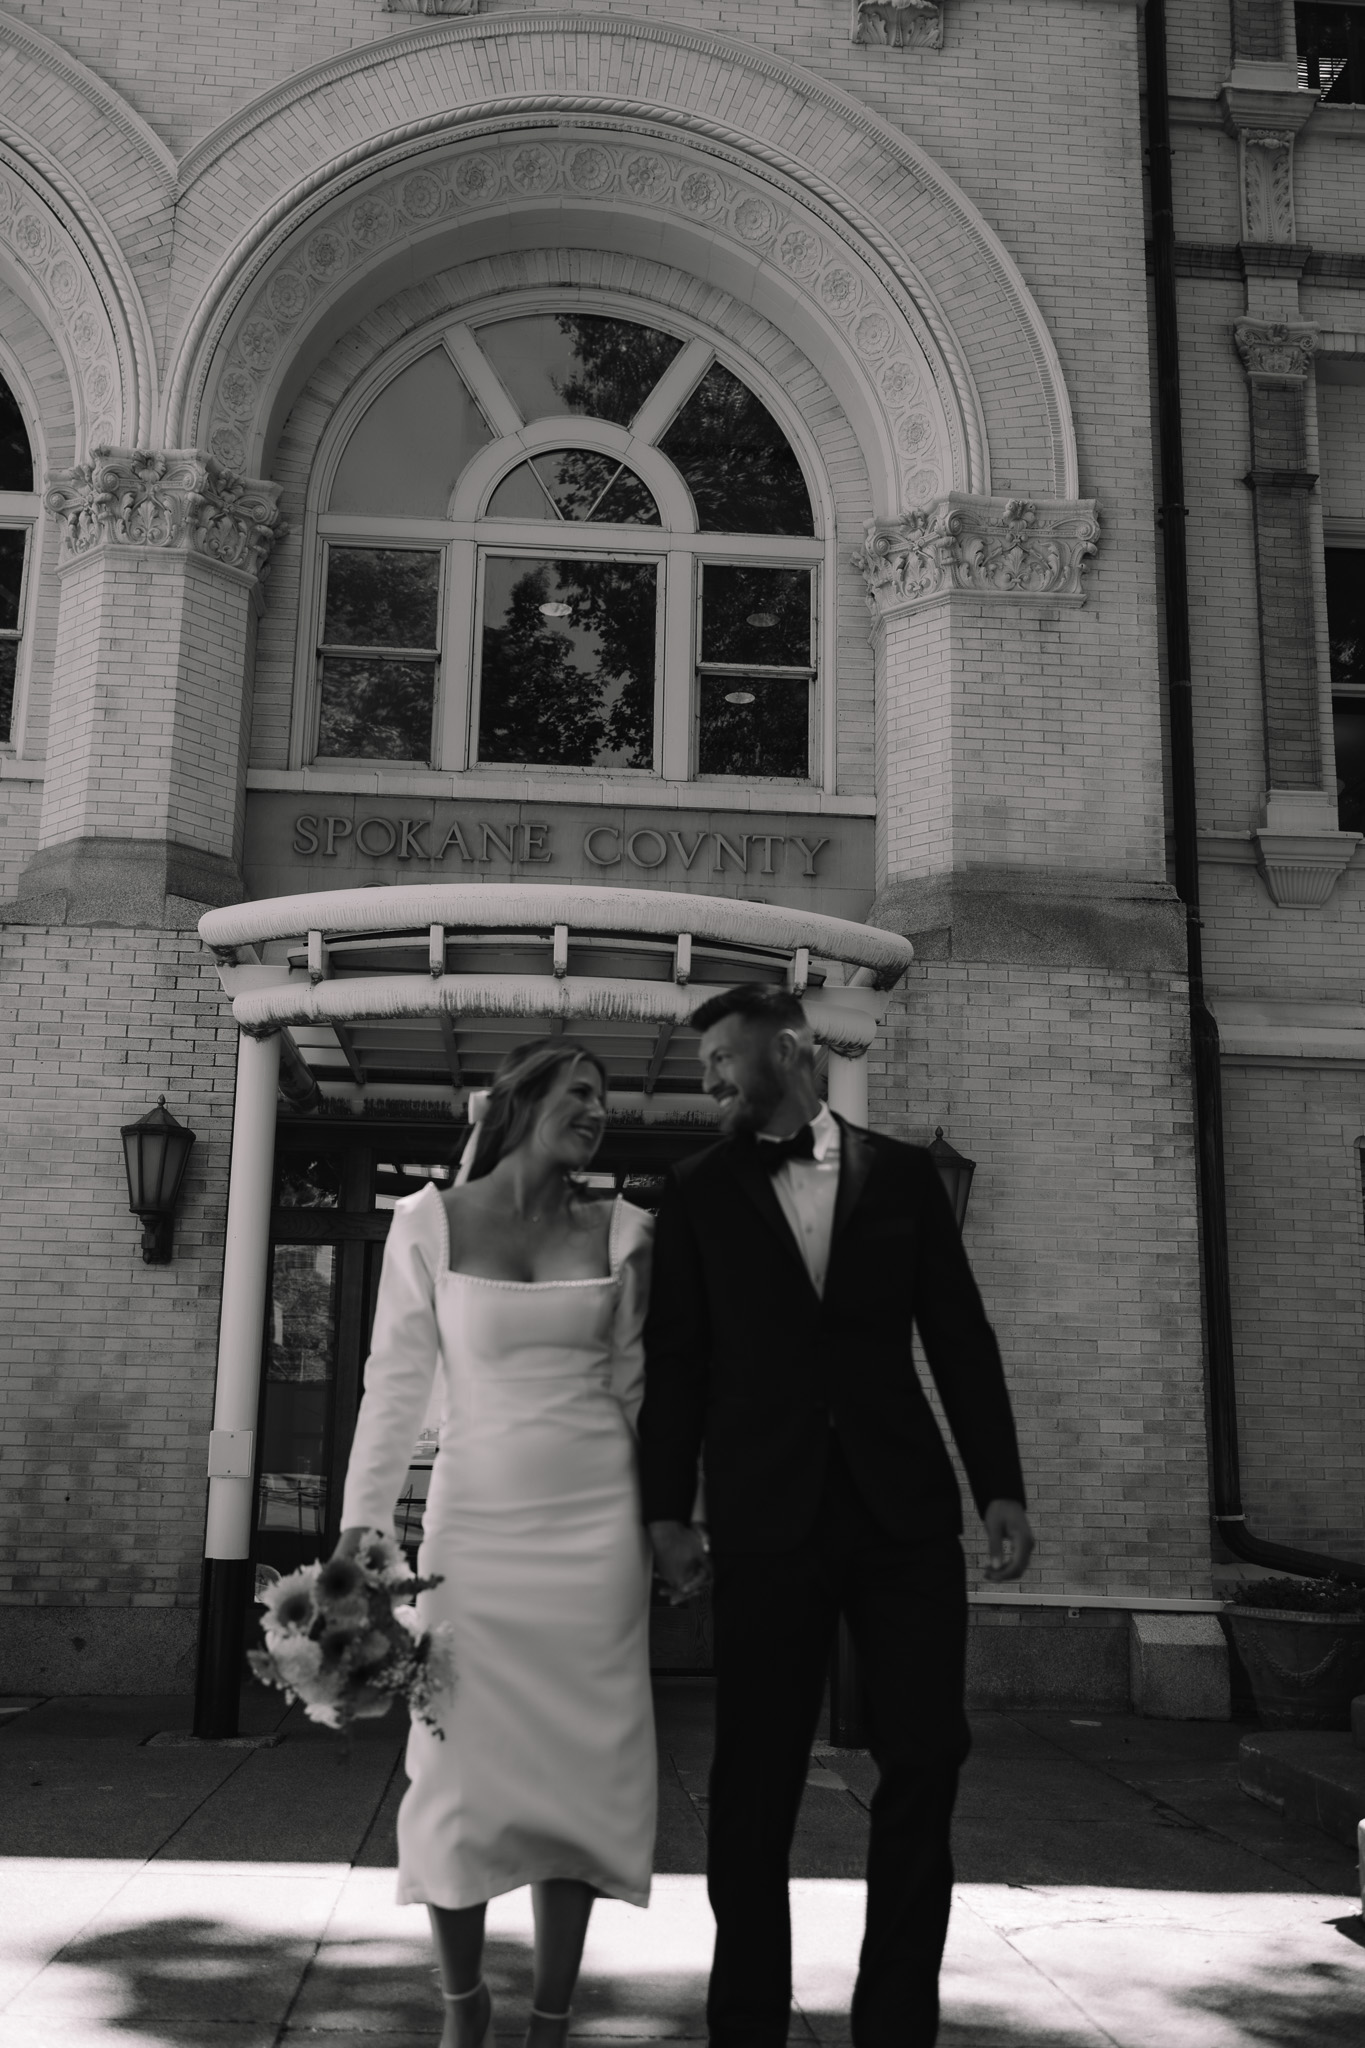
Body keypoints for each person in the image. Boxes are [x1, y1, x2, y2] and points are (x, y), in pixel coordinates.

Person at [638, 985, 1034, 2048]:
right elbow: (675, 1365)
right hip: (767, 1518)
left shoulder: (903, 1176)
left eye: (721, 1057)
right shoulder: (696, 1192)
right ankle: (748, 2021)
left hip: (902, 1515)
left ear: (790, 1048)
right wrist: (666, 1508)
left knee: (925, 1752)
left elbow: (960, 1334)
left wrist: (999, 1481)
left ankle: (897, 2018)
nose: (709, 1080)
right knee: (755, 1776)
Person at [334, 1040, 656, 2048]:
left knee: (581, 1774)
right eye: (581, 1092)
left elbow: (642, 1398)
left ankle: (551, 2019)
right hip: (472, 1536)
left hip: (597, 1535)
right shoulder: (427, 1222)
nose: (598, 1110)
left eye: (606, 1097)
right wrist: (361, 1533)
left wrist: (676, 1527)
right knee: (455, 1769)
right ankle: (462, 2004)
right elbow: (393, 1387)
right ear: (520, 1103)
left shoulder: (629, 1230)